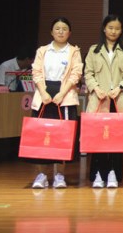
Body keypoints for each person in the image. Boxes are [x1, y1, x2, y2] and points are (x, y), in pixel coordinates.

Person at [29, 17, 83, 189]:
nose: (61, 31)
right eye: (57, 28)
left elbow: (76, 74)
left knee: (63, 137)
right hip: (44, 95)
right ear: (51, 32)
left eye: (64, 29)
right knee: (42, 136)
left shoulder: (73, 51)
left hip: (64, 96)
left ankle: (60, 175)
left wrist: (62, 93)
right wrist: (43, 92)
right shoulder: (43, 50)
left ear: (70, 33)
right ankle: (42, 175)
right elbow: (36, 72)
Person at [84, 14, 123, 188]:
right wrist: (96, 88)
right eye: (110, 28)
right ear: (104, 29)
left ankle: (114, 173)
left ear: (121, 31)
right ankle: (98, 174)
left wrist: (120, 88)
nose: (114, 31)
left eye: (117, 29)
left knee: (117, 139)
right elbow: (88, 73)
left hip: (118, 100)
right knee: (99, 139)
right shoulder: (94, 50)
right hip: (100, 100)